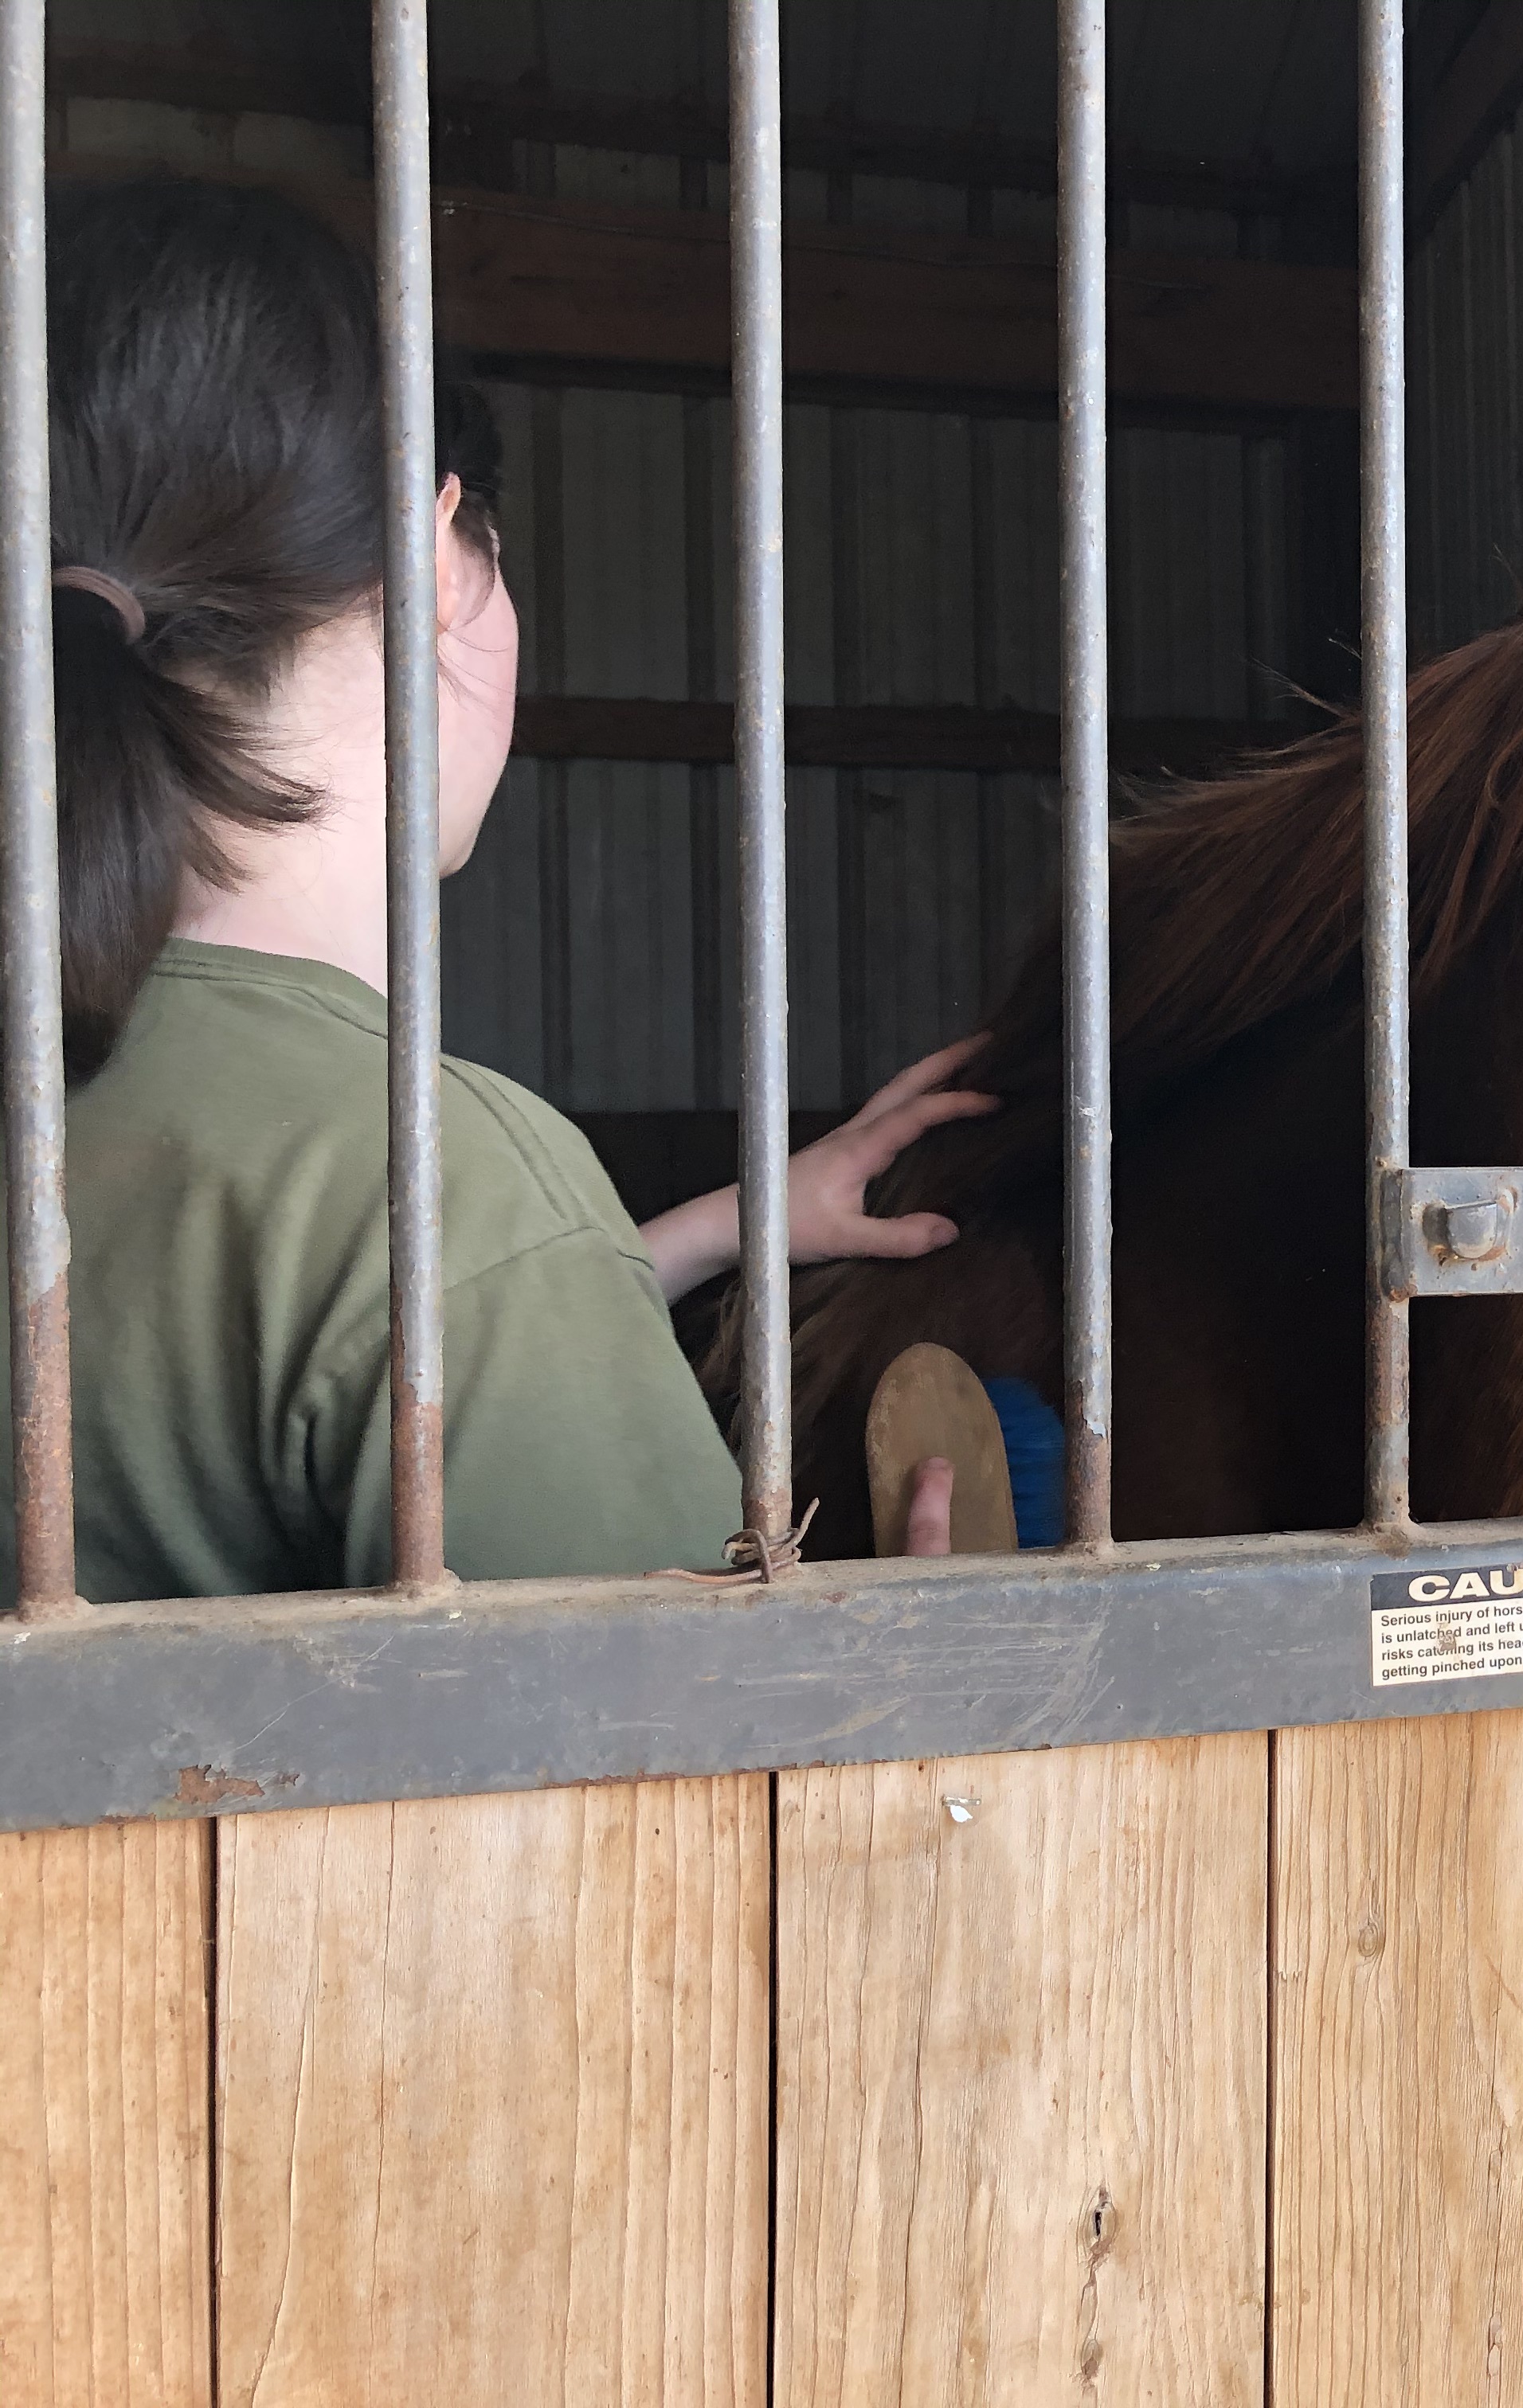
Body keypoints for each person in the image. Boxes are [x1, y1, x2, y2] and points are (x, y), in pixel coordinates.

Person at [16, 179, 977, 1601]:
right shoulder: (432, 1187)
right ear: (435, 564)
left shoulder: (106, 1095)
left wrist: (708, 1230)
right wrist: (914, 1676)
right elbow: (692, 1757)